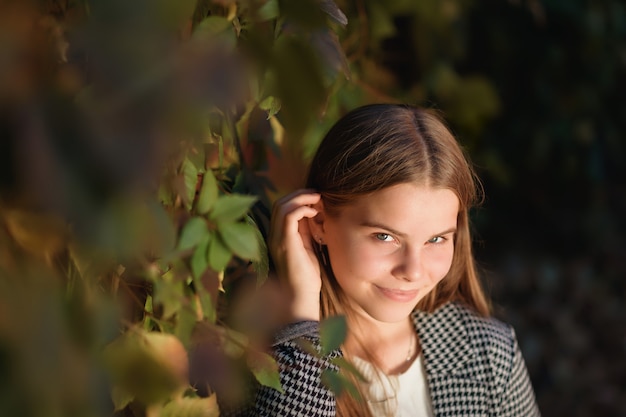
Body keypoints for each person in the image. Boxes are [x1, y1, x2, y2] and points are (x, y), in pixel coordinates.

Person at [246, 104, 540, 416]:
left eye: (436, 239)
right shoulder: (253, 357)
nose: (412, 271)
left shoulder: (492, 356)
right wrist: (302, 323)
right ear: (319, 222)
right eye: (385, 237)